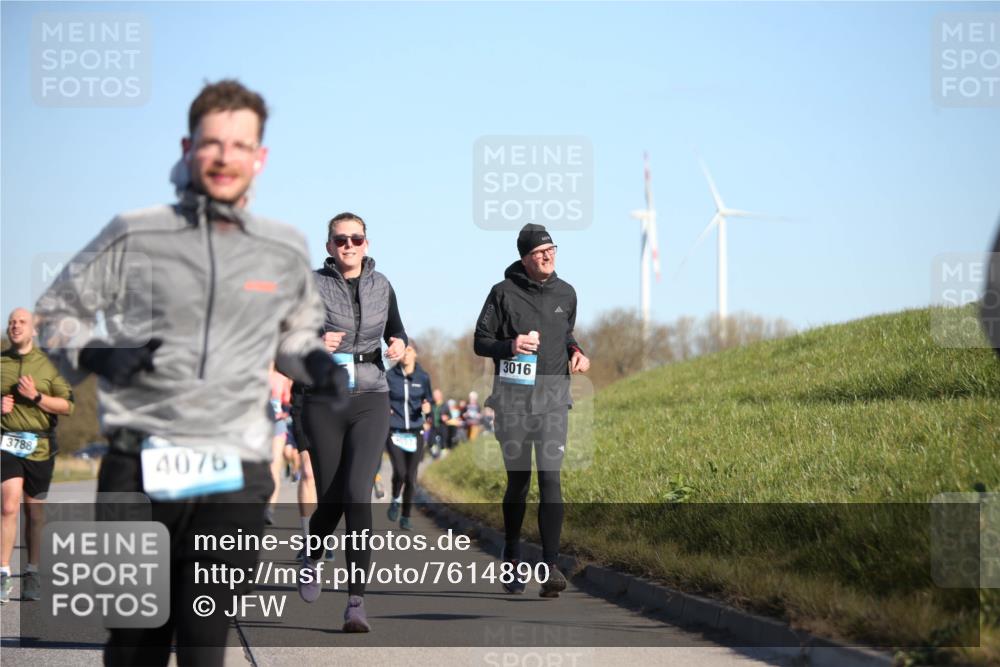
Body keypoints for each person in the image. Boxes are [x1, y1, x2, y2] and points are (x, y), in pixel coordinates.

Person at [34, 79, 347, 666]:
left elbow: (294, 335)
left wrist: (318, 366)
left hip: (233, 465)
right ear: (187, 147)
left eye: (240, 145)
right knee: (135, 643)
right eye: (211, 143)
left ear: (261, 157)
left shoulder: (281, 248)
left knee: (205, 641)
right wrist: (97, 353)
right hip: (139, 462)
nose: (225, 157)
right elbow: (56, 315)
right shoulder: (136, 231)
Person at [296, 211, 407, 633]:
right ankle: (313, 554)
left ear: (367, 243)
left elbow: (397, 331)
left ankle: (356, 602)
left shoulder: (383, 286)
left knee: (358, 494)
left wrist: (398, 344)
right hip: (325, 400)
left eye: (355, 239)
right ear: (328, 246)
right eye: (340, 240)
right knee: (333, 500)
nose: (348, 246)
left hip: (371, 396)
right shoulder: (311, 284)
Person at [473, 223, 590, 598]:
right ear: (524, 257)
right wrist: (511, 345)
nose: (547, 255)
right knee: (520, 484)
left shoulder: (567, 293)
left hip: (555, 399)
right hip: (514, 403)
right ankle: (511, 553)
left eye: (552, 248)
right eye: (539, 251)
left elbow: (564, 332)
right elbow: (481, 341)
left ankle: (552, 566)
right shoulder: (502, 293)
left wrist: (576, 351)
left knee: (552, 480)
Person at [1, 308, 75, 604]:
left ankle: (33, 572)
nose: (15, 326)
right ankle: (3, 572)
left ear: (33, 330)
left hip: (41, 448)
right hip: (6, 444)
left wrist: (37, 397)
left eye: (21, 322)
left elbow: (67, 405)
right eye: (11, 322)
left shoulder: (49, 365)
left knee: (35, 513)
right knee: (8, 505)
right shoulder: (1, 362)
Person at [385, 341, 433, 530]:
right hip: (394, 431)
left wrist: (428, 409)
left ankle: (405, 516)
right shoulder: (389, 377)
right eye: (403, 351)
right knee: (400, 472)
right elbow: (381, 399)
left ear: (415, 354)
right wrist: (384, 409)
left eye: (410, 350)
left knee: (411, 477)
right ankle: (395, 498)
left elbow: (428, 402)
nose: (406, 354)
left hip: (415, 432)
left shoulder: (423, 377)